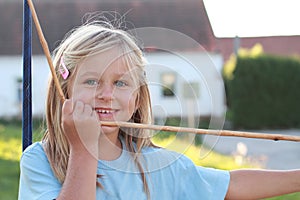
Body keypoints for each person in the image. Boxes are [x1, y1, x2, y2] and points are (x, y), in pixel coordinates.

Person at [18, 15, 300, 200]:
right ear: (64, 91)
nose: (106, 94)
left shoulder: (159, 166)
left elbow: (230, 186)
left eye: (120, 83)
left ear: (138, 98)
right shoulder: (40, 161)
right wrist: (83, 149)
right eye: (91, 81)